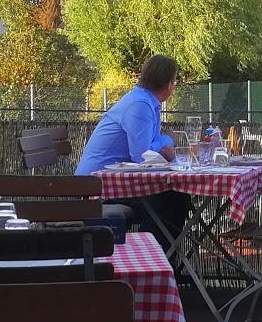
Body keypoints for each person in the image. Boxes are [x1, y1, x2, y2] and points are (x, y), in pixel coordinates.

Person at [76, 54, 190, 253]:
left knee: (176, 199)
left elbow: (148, 147)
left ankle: (159, 261)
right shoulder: (140, 105)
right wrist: (168, 139)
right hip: (95, 188)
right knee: (166, 202)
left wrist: (162, 142)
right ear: (170, 84)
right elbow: (142, 155)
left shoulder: (144, 101)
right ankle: (151, 259)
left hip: (107, 183)